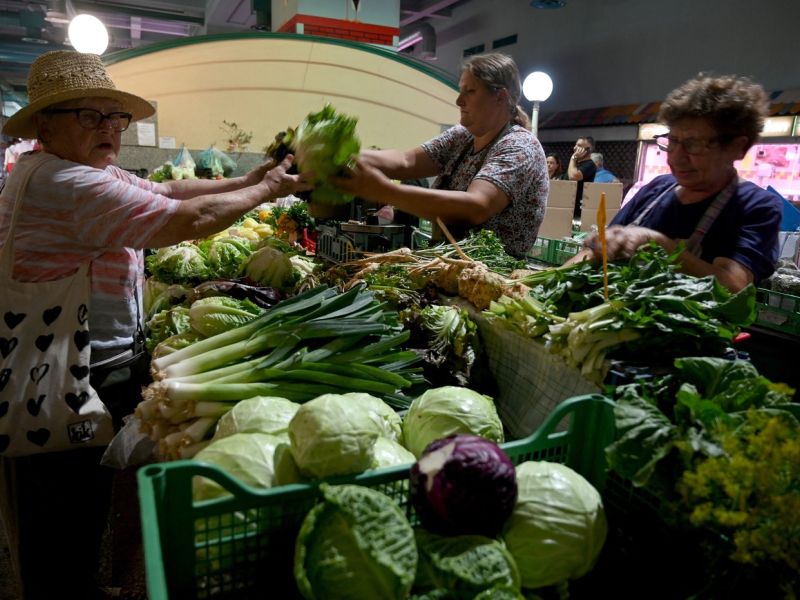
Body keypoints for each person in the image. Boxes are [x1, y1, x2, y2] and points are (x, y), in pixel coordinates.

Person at [0, 50, 311, 600]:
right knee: (61, 518)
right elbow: (185, 220)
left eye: (114, 117)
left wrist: (254, 176)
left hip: (89, 367)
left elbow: (166, 193)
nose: (109, 129)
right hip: (67, 377)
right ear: (45, 124)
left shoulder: (76, 170)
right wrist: (268, 191)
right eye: (90, 117)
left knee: (81, 509)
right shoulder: (67, 182)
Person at [568, 73, 782, 293]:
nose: (675, 157)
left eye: (694, 144)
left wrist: (658, 244)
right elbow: (598, 252)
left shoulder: (756, 207)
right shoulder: (657, 188)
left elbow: (733, 285)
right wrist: (539, 289)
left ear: (737, 148)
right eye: (673, 141)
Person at [334, 52, 548, 259]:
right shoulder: (462, 136)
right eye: (460, 90)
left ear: (500, 97)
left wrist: (387, 191)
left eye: (469, 91)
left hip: (490, 277)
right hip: (449, 263)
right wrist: (337, 155)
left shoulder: (519, 146)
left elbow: (476, 206)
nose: (459, 100)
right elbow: (406, 161)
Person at [566, 136, 596, 218]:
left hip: (578, 210)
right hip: (568, 206)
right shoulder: (576, 164)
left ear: (587, 150)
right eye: (575, 145)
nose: (575, 148)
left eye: (579, 146)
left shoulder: (590, 165)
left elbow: (573, 176)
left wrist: (573, 157)